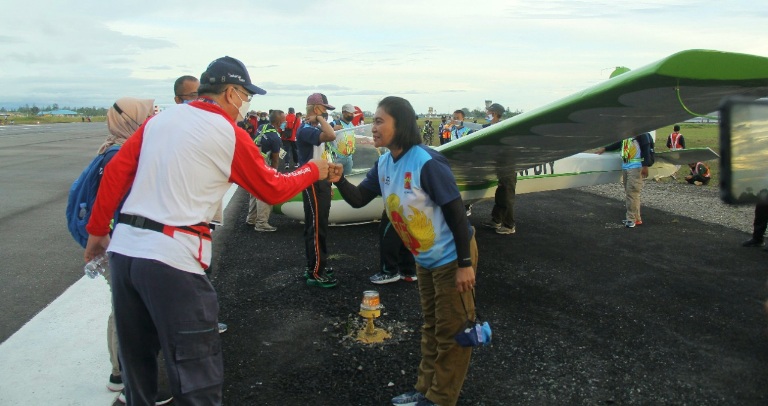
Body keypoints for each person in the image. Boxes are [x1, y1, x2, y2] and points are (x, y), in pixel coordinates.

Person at [84, 56, 330, 405]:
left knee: (138, 371)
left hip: (125, 251)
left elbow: (115, 174)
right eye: (246, 96)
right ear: (231, 93)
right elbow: (272, 188)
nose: (247, 105)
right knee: (196, 374)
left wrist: (97, 232)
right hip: (172, 257)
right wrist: (312, 170)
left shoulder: (160, 121)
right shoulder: (227, 132)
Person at [329, 96, 478, 406]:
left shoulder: (426, 161)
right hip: (425, 258)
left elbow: (456, 212)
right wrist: (339, 179)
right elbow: (358, 199)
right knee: (431, 326)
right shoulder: (384, 162)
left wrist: (465, 263)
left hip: (452, 258)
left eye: (380, 120)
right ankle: (425, 390)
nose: (374, 127)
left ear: (401, 125)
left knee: (452, 331)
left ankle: (440, 399)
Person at [96, 98, 171, 405]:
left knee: (124, 311)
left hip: (119, 241)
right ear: (131, 119)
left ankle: (119, 375)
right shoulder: (120, 153)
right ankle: (127, 382)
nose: (153, 117)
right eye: (147, 113)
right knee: (132, 316)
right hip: (124, 242)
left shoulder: (111, 147)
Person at [173, 74, 229, 335]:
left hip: (201, 222)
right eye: (192, 96)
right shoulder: (168, 130)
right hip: (178, 228)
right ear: (177, 100)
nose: (199, 101)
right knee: (193, 279)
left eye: (201, 94)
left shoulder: (205, 129)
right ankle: (199, 327)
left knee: (203, 274)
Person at [296, 93, 338, 288]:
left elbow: (325, 151)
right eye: (324, 110)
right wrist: (320, 119)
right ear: (315, 109)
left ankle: (317, 263)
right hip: (312, 181)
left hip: (320, 181)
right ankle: (316, 271)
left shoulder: (312, 127)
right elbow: (331, 135)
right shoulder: (306, 129)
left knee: (319, 225)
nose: (326, 114)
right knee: (316, 227)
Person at [596, 133, 654, 228]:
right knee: (630, 193)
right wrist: (605, 149)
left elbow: (646, 149)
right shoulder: (628, 134)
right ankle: (636, 218)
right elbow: (619, 144)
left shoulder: (641, 134)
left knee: (632, 193)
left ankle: (631, 219)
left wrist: (645, 166)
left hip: (636, 167)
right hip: (626, 166)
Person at [481, 103, 517, 234]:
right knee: (501, 193)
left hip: (507, 166)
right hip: (499, 166)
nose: (486, 114)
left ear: (494, 114)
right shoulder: (491, 127)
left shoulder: (503, 128)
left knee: (507, 194)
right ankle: (496, 220)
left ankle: (509, 225)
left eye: (488, 112)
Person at [246, 109, 285, 231]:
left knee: (255, 191)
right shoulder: (275, 138)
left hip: (252, 164)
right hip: (263, 167)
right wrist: (274, 173)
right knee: (265, 192)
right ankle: (261, 223)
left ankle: (251, 218)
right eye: (284, 120)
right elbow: (275, 159)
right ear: (279, 122)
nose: (285, 122)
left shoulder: (262, 127)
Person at [331, 103, 358, 175]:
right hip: (337, 158)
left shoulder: (351, 125)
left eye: (353, 113)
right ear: (343, 113)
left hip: (349, 158)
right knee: (335, 178)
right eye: (350, 113)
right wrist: (333, 129)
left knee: (348, 179)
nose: (352, 115)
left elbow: (352, 137)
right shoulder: (334, 123)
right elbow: (323, 133)